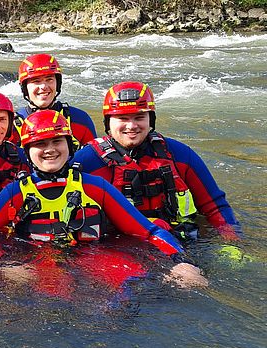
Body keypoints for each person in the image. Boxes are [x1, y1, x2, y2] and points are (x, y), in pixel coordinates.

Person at [0, 110, 206, 287]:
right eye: (40, 144)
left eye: (57, 142)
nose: (50, 150)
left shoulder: (94, 186)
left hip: (91, 256)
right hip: (38, 262)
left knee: (128, 292)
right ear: (27, 151)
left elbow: (148, 230)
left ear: (69, 146)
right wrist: (5, 263)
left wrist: (181, 262)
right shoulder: (14, 192)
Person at [73, 81, 242, 241]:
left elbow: (214, 206)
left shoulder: (180, 155)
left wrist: (232, 243)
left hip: (177, 239)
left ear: (150, 120)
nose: (131, 126)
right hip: (120, 248)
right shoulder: (86, 162)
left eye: (139, 117)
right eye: (123, 118)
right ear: (108, 123)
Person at [15, 53, 97, 146]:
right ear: (24, 88)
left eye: (49, 79)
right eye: (36, 81)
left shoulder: (80, 119)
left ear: (57, 84)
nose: (44, 86)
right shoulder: (12, 125)